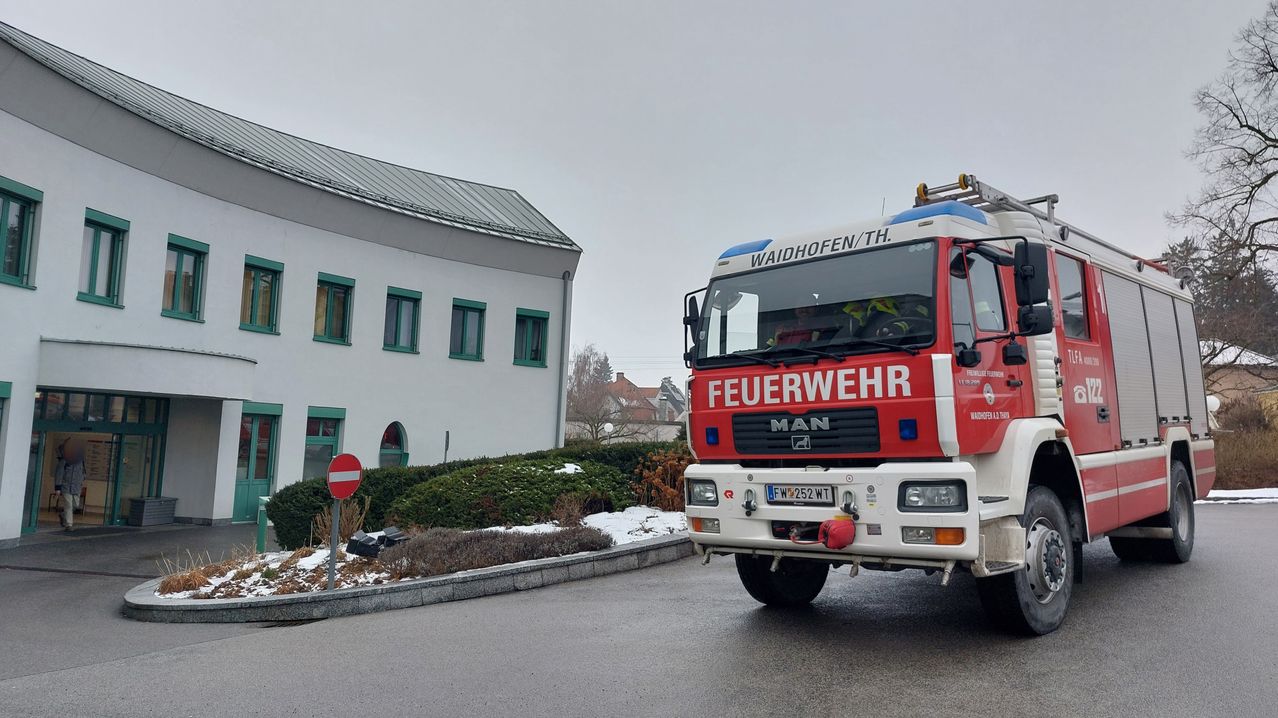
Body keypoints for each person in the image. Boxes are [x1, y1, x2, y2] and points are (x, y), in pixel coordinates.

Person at [53, 438, 86, 532]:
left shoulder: (81, 461)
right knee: (68, 505)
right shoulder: (64, 461)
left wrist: (82, 479)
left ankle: (63, 515)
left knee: (76, 505)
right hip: (66, 486)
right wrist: (58, 488)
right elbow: (59, 474)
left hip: (76, 487)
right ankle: (69, 524)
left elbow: (83, 472)